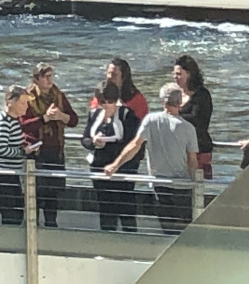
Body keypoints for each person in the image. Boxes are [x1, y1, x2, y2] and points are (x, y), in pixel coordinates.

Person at [104, 83, 199, 235]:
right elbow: (192, 160)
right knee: (184, 231)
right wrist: (196, 183)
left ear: (162, 101)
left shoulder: (151, 120)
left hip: (159, 183)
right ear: (180, 103)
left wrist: (115, 165)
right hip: (183, 185)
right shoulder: (188, 128)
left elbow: (135, 146)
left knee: (167, 228)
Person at [21, 63, 79, 228]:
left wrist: (61, 116)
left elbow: (74, 120)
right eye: (45, 77)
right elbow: (23, 124)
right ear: (36, 79)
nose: (49, 80)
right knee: (36, 192)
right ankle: (33, 225)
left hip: (55, 151)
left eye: (51, 76)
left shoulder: (58, 95)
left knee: (53, 192)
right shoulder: (28, 98)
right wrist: (44, 118)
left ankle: (51, 224)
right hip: (36, 152)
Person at [81, 80, 141, 232]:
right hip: (100, 168)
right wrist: (94, 143)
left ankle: (130, 237)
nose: (106, 105)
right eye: (103, 102)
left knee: (126, 205)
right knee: (105, 205)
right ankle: (107, 235)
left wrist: (110, 147)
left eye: (110, 101)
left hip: (123, 169)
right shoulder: (94, 114)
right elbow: (85, 138)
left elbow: (133, 143)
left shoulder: (128, 116)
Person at [0, 85, 41, 225]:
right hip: (3, 174)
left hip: (11, 172)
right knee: (12, 213)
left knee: (16, 211)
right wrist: (23, 151)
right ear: (10, 103)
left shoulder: (13, 120)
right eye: (23, 103)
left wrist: (23, 146)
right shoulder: (4, 121)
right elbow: (1, 149)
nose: (26, 107)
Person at [173, 54, 213, 179]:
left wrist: (174, 115)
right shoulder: (175, 93)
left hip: (199, 147)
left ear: (189, 74)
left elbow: (197, 119)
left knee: (196, 186)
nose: (175, 77)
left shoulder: (202, 95)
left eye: (179, 74)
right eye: (174, 74)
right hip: (178, 148)